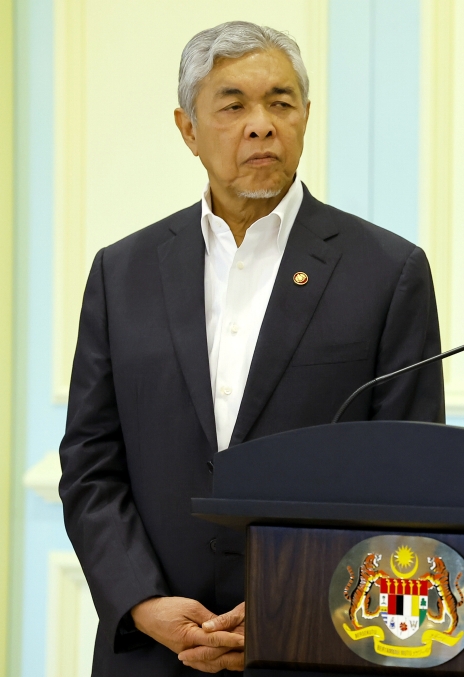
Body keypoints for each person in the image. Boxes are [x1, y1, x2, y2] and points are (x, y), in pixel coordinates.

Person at [59, 21, 444, 675]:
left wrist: (289, 613)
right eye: (233, 105)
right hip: (152, 650)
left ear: (306, 116)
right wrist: (142, 601)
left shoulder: (387, 271)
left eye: (280, 102)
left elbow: (407, 479)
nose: (261, 125)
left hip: (318, 645)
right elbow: (91, 463)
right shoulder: (121, 273)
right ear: (187, 129)